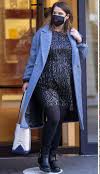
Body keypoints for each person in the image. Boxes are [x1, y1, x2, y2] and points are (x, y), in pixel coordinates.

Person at [20, 2, 88, 173]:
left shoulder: (72, 36)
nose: (56, 15)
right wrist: (26, 79)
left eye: (60, 13)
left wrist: (80, 41)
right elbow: (33, 58)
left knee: (58, 123)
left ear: (67, 17)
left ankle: (52, 156)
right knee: (54, 116)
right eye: (55, 12)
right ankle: (43, 155)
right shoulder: (42, 34)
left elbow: (83, 57)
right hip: (45, 83)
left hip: (65, 86)